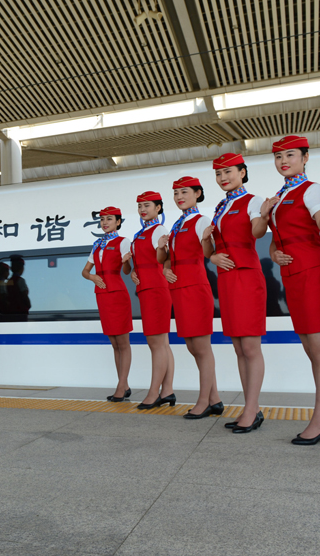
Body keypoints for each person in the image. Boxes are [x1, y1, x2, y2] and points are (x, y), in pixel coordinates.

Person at [262, 136, 320, 445]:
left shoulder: (312, 190)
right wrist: (273, 250)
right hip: (293, 276)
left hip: (313, 273)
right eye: (279, 156)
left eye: (291, 155)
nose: (284, 160)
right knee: (312, 350)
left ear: (305, 157)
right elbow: (276, 237)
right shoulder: (281, 196)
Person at [202, 153, 268, 433]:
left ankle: (252, 411)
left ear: (243, 172)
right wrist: (212, 256)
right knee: (238, 348)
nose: (223, 178)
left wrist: (264, 215)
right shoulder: (220, 207)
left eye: (228, 172)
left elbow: (257, 232)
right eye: (218, 174)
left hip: (246, 277)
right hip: (227, 281)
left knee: (250, 348)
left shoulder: (252, 200)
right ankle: (250, 407)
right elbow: (210, 251)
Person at [158, 177, 223, 419]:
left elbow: (210, 252)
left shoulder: (201, 221)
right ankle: (215, 399)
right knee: (192, 346)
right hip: (179, 290)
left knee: (202, 348)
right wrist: (165, 268)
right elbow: (167, 259)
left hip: (195, 288)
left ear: (197, 194)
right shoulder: (177, 224)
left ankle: (204, 401)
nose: (178, 197)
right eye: (175, 193)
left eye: (184, 192)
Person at [126, 192, 175, 409]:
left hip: (156, 289)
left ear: (158, 208)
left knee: (156, 343)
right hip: (146, 289)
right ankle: (168, 391)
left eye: (147, 205)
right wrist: (133, 272)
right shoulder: (140, 234)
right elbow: (141, 263)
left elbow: (165, 260)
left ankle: (154, 393)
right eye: (139, 206)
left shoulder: (159, 230)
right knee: (162, 343)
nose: (142, 209)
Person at [82, 207, 134, 402]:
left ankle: (121, 386)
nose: (105, 223)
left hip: (118, 294)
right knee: (114, 343)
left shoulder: (123, 242)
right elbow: (85, 271)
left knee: (123, 342)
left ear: (118, 222)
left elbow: (127, 270)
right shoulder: (97, 244)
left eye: (109, 219)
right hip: (102, 294)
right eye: (102, 219)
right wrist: (92, 277)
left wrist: (126, 262)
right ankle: (124, 384)